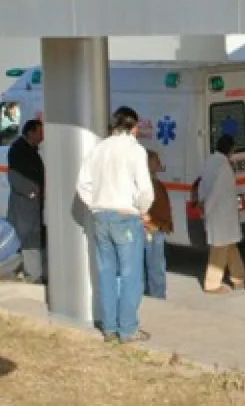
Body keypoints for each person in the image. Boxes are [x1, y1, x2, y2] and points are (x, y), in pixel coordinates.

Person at [76, 106, 155, 344]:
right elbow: (145, 189)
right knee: (131, 275)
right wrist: (143, 210)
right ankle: (128, 329)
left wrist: (95, 204)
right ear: (134, 127)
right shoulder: (135, 150)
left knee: (106, 273)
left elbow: (82, 184)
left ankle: (109, 327)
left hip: (101, 216)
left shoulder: (98, 148)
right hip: (125, 216)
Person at [199, 134, 245, 294]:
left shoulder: (210, 162)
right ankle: (212, 284)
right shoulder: (223, 167)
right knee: (219, 250)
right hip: (221, 215)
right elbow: (218, 192)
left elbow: (203, 185)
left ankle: (239, 278)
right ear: (230, 149)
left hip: (218, 214)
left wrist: (203, 205)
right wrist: (207, 210)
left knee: (230, 247)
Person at [0, 120, 46, 284]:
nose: (43, 136)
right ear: (31, 132)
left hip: (32, 203)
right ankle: (9, 270)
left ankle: (33, 273)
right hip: (23, 204)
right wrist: (31, 192)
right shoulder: (18, 149)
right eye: (40, 132)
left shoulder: (30, 149)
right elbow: (14, 175)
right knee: (22, 237)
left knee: (30, 238)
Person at [143, 150, 173, 299]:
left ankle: (154, 292)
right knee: (155, 265)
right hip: (151, 227)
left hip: (156, 226)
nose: (159, 164)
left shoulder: (154, 182)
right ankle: (157, 295)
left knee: (154, 264)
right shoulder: (148, 184)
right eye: (156, 161)